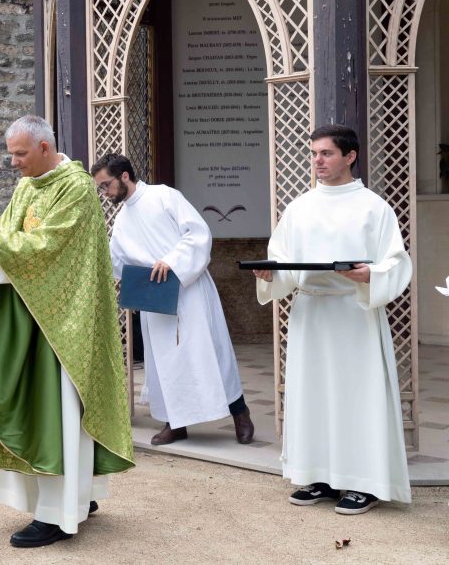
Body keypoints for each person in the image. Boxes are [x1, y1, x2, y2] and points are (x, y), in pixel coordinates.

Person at [0, 115, 134, 548]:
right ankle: (76, 494)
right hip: (30, 313)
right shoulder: (27, 185)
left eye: (20, 154)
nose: (14, 163)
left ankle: (56, 510)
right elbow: (7, 235)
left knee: (55, 408)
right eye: (11, 154)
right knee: (44, 409)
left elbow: (48, 249)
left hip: (64, 323)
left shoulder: (76, 189)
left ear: (45, 148)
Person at [254, 124, 411, 515]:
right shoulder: (300, 207)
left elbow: (396, 261)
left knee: (359, 397)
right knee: (314, 395)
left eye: (326, 153)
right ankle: (321, 475)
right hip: (312, 313)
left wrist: (370, 275)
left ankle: (364, 482)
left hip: (353, 313)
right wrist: (271, 274)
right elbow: (284, 260)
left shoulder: (374, 207)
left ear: (350, 156)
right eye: (314, 154)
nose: (318, 161)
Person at [92, 154, 254, 445]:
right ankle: (175, 423)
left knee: (210, 353)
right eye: (101, 189)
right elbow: (116, 260)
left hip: (188, 289)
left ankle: (240, 413)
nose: (104, 193)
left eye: (106, 185)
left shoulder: (164, 196)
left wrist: (172, 261)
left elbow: (197, 233)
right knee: (164, 361)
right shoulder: (122, 219)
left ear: (124, 176)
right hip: (156, 297)